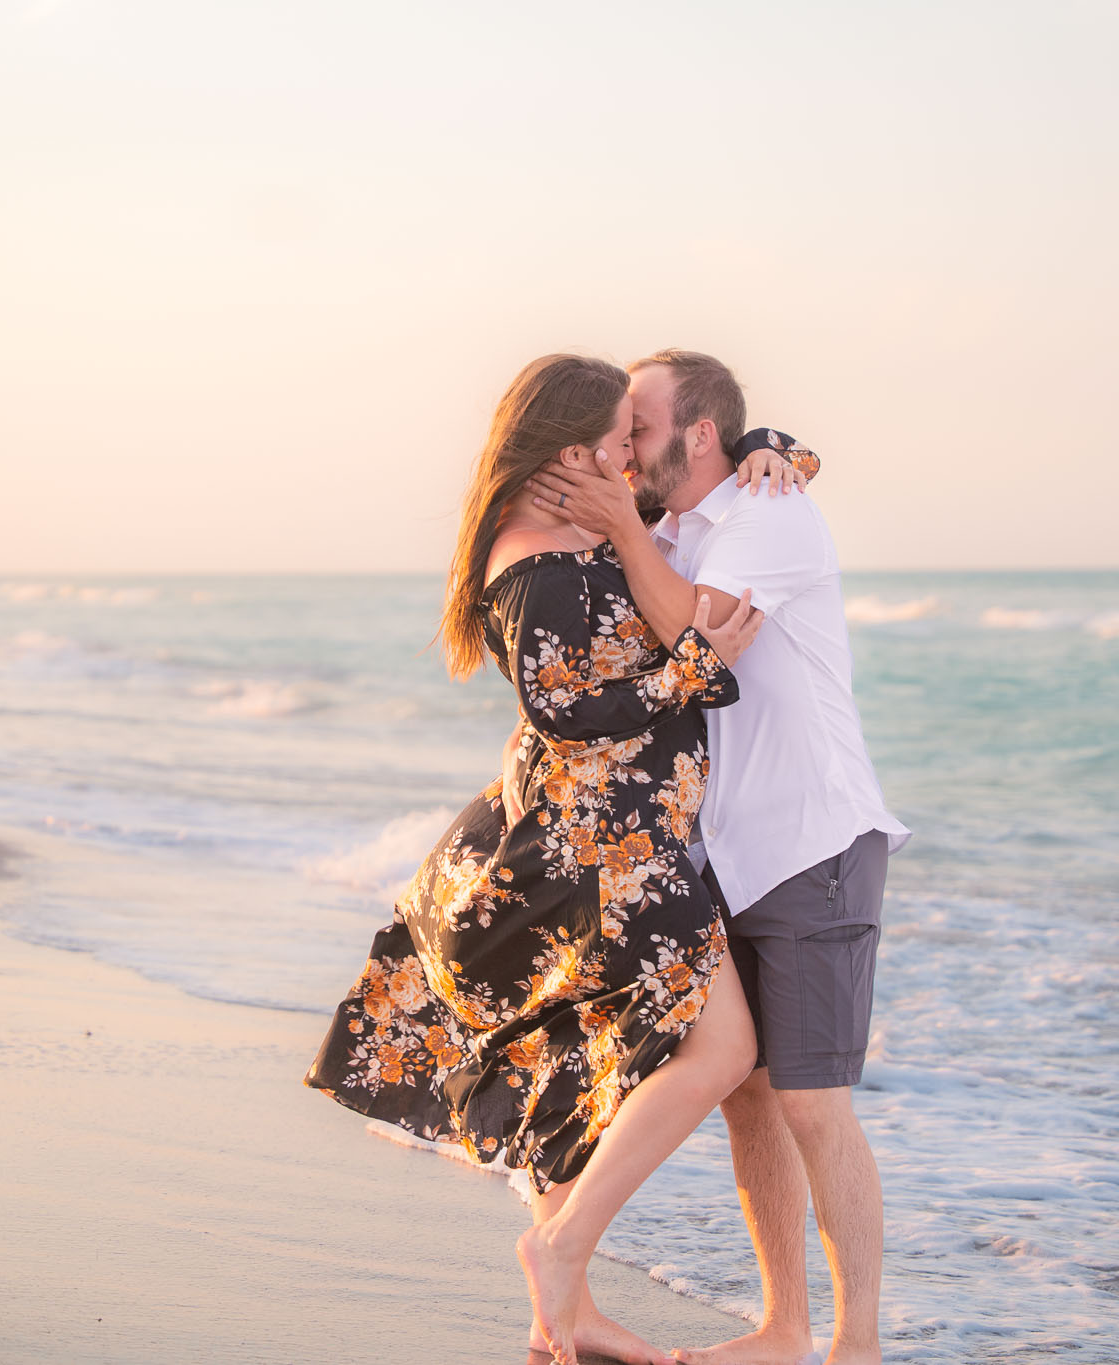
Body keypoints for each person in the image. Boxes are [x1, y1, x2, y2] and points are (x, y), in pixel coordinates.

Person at [305, 353, 810, 1365]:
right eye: (622, 430)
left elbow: (700, 466)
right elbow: (562, 710)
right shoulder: (534, 554)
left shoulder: (590, 521)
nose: (635, 446)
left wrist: (768, 448)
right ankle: (561, 1250)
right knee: (720, 1052)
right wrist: (693, 674)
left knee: (594, 1064)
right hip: (601, 849)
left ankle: (561, 1316)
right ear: (571, 442)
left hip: (627, 837)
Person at [531, 350, 911, 1365]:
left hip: (809, 839)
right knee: (745, 1091)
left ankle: (855, 1346)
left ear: (700, 436)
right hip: (719, 854)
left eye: (641, 425)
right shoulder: (677, 523)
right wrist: (757, 452)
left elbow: (702, 630)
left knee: (813, 1102)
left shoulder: (768, 516)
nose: (624, 445)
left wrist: (763, 456)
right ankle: (781, 1328)